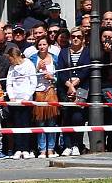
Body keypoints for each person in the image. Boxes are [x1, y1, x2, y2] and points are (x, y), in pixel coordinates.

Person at [58, 27, 91, 156]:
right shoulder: (63, 52)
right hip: (65, 87)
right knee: (66, 117)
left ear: (83, 39)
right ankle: (67, 145)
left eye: (79, 37)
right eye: (73, 36)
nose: (76, 39)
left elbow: (86, 70)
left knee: (78, 117)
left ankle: (77, 144)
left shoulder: (87, 52)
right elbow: (60, 71)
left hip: (81, 87)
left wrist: (75, 84)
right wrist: (69, 85)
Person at [30, 36, 59, 158]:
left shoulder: (55, 58)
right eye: (40, 45)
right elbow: (29, 76)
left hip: (51, 91)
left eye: (44, 44)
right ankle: (42, 149)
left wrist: (52, 78)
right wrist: (37, 69)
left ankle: (51, 149)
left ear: (48, 45)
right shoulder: (32, 58)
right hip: (38, 92)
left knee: (52, 122)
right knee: (40, 122)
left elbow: (60, 77)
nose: (42, 47)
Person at [5, 46, 37, 159]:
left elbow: (33, 82)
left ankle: (26, 149)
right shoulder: (11, 68)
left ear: (15, 57)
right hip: (15, 101)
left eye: (10, 59)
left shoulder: (29, 65)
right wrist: (11, 97)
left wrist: (27, 97)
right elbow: (9, 83)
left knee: (26, 124)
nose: (10, 62)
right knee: (17, 124)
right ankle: (18, 148)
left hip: (26, 100)